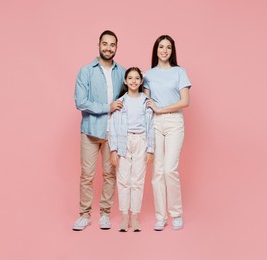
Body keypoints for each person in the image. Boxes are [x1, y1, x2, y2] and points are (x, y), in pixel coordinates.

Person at [73, 30, 125, 231]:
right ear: (99, 45)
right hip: (91, 131)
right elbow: (81, 101)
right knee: (87, 175)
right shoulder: (86, 71)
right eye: (105, 44)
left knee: (109, 174)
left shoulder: (122, 71)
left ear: (116, 47)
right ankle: (85, 215)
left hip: (113, 132)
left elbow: (132, 92)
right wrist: (107, 107)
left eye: (112, 45)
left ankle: (105, 213)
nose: (108, 48)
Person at [143, 35, 191, 231]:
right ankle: (160, 217)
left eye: (168, 47)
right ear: (156, 50)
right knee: (157, 171)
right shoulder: (148, 74)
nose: (164, 50)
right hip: (154, 123)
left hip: (174, 122)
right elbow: (146, 104)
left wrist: (161, 109)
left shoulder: (179, 72)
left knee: (170, 169)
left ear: (172, 51)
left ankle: (176, 214)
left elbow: (185, 101)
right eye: (161, 47)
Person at [109, 67, 154, 232]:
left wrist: (150, 149)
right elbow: (112, 127)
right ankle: (124, 216)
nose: (134, 81)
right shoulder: (120, 102)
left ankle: (135, 216)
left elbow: (151, 126)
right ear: (125, 81)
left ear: (141, 81)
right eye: (130, 78)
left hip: (141, 140)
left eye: (137, 78)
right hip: (124, 141)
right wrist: (113, 149)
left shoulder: (146, 102)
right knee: (123, 180)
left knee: (138, 180)